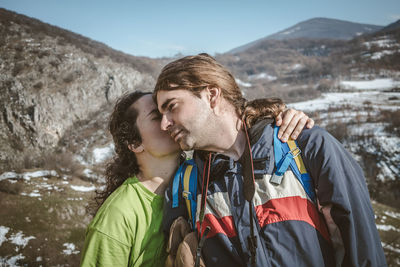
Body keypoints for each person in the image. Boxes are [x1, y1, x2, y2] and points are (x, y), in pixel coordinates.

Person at [155, 53, 387, 266]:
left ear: (212, 95)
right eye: (160, 115)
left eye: (172, 106)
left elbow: (364, 251)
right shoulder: (186, 183)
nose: (164, 124)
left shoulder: (306, 147)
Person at [80, 91, 312, 266]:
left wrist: (282, 118)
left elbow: (235, 133)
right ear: (134, 144)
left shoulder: (202, 176)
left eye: (169, 111)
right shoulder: (118, 215)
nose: (167, 121)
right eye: (155, 117)